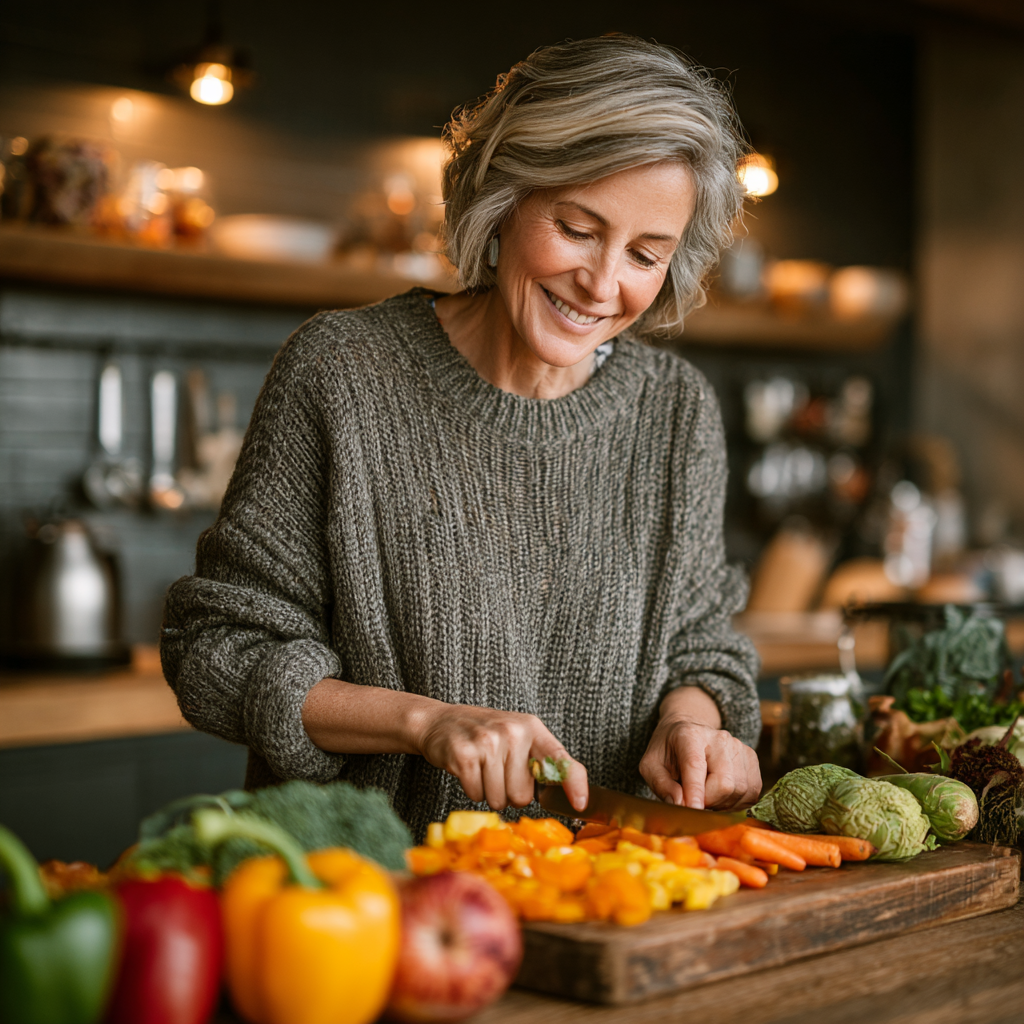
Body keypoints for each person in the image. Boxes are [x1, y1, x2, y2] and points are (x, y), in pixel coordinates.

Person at [161, 35, 762, 840]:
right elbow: (217, 649)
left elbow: (699, 647)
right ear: (504, 197)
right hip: (366, 906)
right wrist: (427, 726)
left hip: (611, 898)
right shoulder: (344, 373)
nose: (603, 283)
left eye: (646, 255)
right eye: (578, 229)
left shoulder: (675, 411)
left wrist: (694, 727)